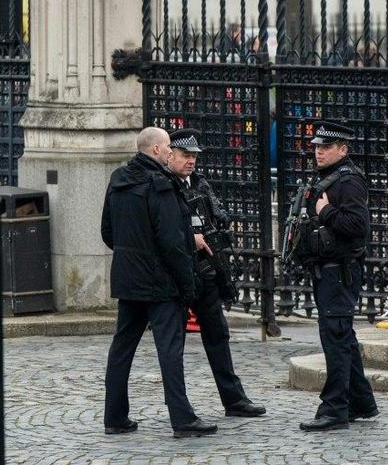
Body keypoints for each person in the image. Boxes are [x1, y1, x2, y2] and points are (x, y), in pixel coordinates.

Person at [101, 126, 218, 438]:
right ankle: (183, 419)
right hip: (160, 281)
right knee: (169, 349)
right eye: (168, 147)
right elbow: (172, 242)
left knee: (122, 347)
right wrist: (187, 284)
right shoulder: (161, 184)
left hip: (128, 277)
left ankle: (114, 416)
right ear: (154, 150)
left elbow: (107, 232)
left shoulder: (118, 179)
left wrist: (132, 256)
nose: (171, 151)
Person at [167, 128, 267, 418]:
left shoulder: (199, 183)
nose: (191, 161)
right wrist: (190, 236)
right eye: (185, 155)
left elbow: (219, 217)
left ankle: (234, 400)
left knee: (218, 334)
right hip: (178, 271)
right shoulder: (164, 185)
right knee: (173, 340)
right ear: (170, 154)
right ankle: (180, 407)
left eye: (194, 156)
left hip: (206, 269)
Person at [291, 121, 379, 432]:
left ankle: (334, 408)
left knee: (336, 338)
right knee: (342, 337)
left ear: (342, 149)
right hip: (327, 271)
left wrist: (326, 212)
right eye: (316, 146)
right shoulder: (329, 178)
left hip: (339, 272)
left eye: (325, 147)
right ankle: (362, 403)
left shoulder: (348, 181)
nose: (318, 152)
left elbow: (358, 226)